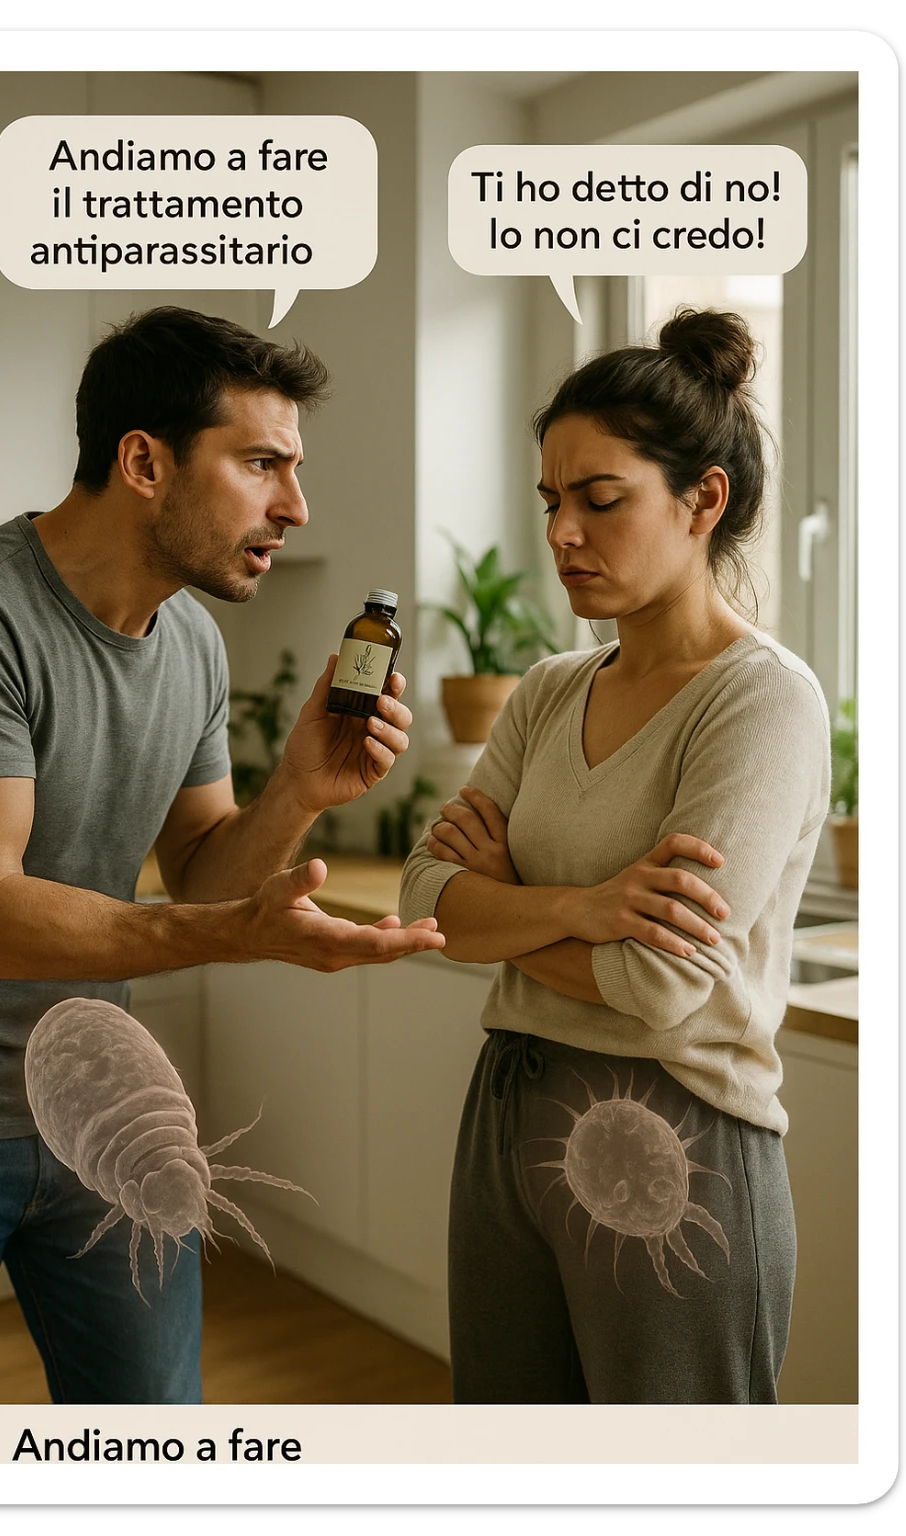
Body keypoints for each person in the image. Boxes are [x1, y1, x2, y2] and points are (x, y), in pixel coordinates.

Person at [0, 306, 443, 1406]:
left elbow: (204, 869)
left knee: (155, 1438)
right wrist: (231, 935)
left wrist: (300, 787)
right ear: (145, 462)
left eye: (293, 469)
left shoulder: (194, 643)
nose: (295, 507)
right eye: (262, 464)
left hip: (97, 1105)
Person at [400, 309, 831, 1405]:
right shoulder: (548, 688)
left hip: (675, 1140)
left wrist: (505, 900)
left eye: (600, 501)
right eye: (551, 502)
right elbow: (426, 899)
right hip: (506, 1115)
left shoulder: (761, 702)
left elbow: (657, 985)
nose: (561, 535)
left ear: (703, 500)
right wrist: (588, 904)